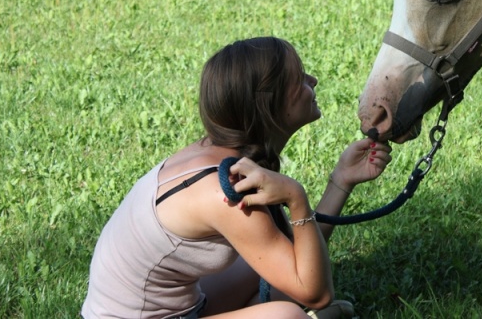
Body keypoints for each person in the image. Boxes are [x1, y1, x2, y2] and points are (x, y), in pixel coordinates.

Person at [81, 37, 392, 318]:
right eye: (299, 79)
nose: (314, 81)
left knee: (278, 269)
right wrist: (295, 197)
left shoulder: (221, 153)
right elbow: (318, 293)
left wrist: (341, 180)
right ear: (268, 103)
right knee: (287, 316)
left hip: (177, 305)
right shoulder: (226, 187)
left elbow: (300, 261)